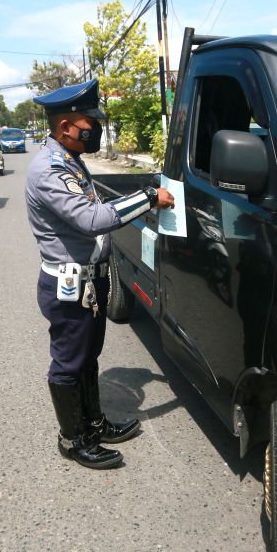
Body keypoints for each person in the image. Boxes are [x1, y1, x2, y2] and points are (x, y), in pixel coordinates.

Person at [25, 78, 175, 469]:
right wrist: (147, 197)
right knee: (68, 363)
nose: (96, 129)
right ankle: (73, 439)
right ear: (65, 127)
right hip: (69, 285)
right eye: (89, 122)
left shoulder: (69, 159)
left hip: (90, 280)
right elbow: (92, 218)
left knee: (89, 356)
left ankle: (93, 422)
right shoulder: (49, 169)